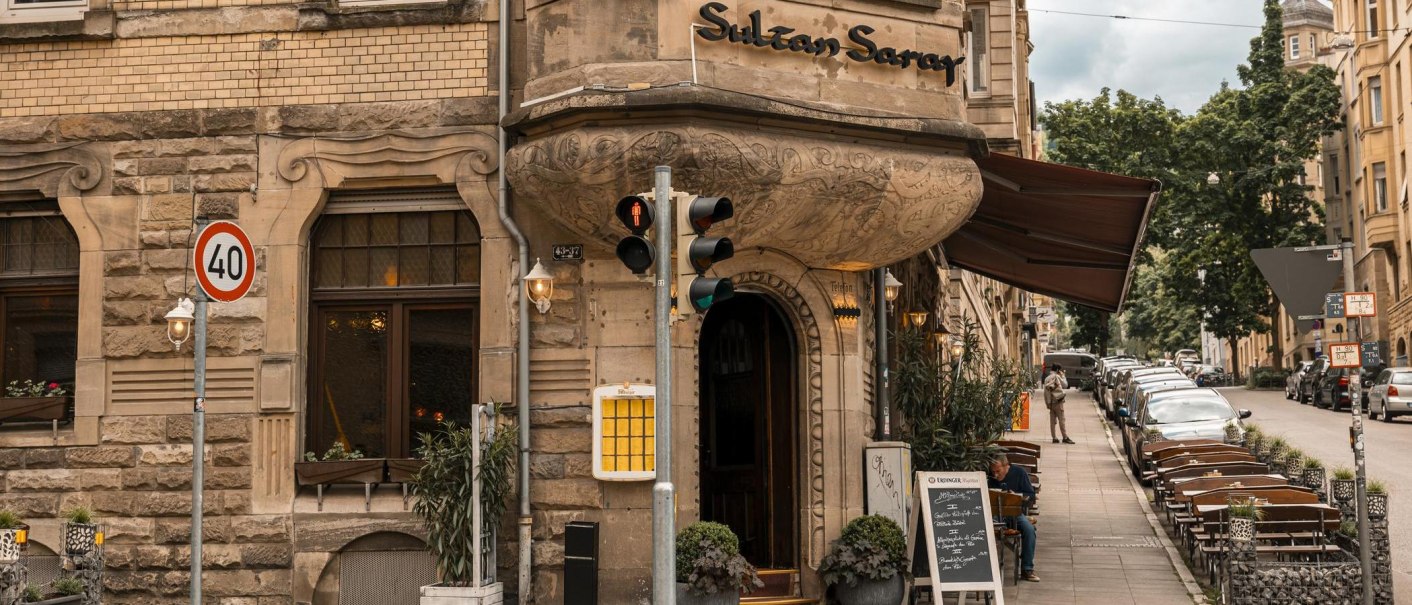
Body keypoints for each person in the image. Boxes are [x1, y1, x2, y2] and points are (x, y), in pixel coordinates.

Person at [988, 453, 1039, 582]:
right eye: (993, 471)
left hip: (1015, 513)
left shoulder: (1019, 473)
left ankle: (1027, 568)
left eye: (998, 471)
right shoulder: (989, 477)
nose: (995, 475)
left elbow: (1031, 495)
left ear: (1006, 466)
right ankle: (988, 569)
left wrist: (1016, 496)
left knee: (1029, 530)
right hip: (994, 514)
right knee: (989, 530)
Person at [1043, 363, 1074, 444]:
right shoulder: (1057, 376)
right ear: (1057, 370)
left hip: (1051, 403)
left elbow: (1045, 392)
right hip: (1058, 401)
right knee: (1062, 420)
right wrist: (1063, 376)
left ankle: (1054, 438)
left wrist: (1048, 403)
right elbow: (1065, 385)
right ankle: (1065, 437)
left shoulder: (1046, 379)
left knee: (1052, 421)